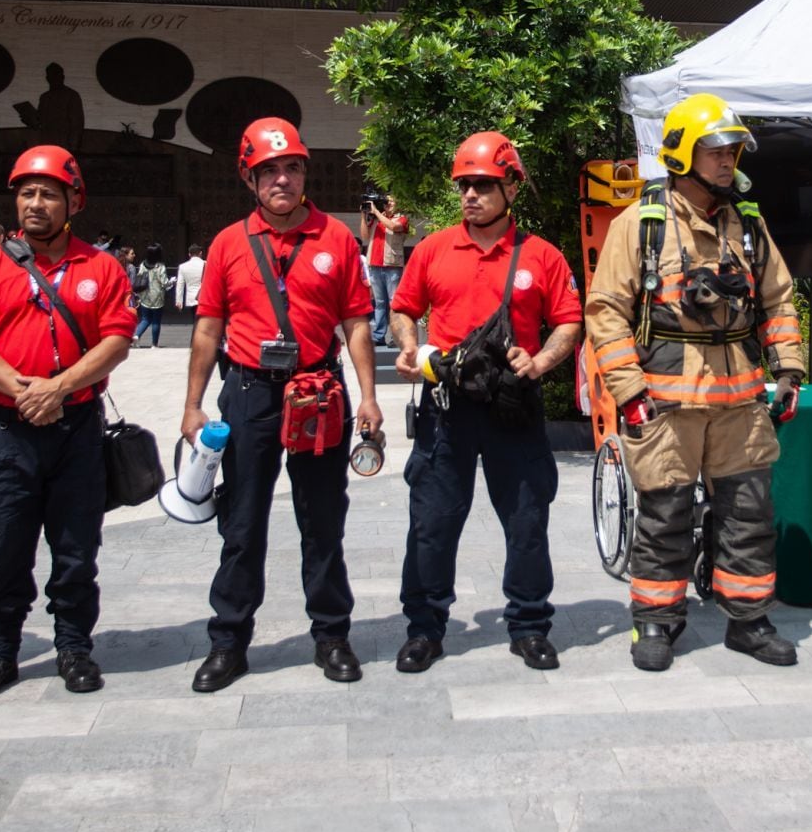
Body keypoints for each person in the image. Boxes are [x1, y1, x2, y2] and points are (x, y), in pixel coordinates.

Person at [583, 94, 804, 671]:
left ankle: (749, 621)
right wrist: (629, 392)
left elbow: (779, 300)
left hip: (740, 407)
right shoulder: (643, 224)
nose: (727, 158)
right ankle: (656, 621)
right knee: (665, 515)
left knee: (750, 514)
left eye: (732, 148)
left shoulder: (750, 226)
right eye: (715, 149)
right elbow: (605, 309)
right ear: (683, 153)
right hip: (666, 406)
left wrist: (789, 369)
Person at [180, 118, 382, 692]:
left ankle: (332, 635)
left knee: (322, 519)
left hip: (319, 389)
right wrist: (192, 406)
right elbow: (206, 331)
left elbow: (357, 325)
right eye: (269, 170)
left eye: (292, 167)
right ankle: (228, 642)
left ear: (303, 173)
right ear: (250, 178)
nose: (282, 179)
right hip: (249, 392)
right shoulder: (227, 243)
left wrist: (368, 396)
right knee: (242, 522)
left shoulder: (337, 239)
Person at [0, 145, 133, 701]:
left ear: (74, 200)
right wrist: (20, 388)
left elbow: (117, 340)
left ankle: (74, 647)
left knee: (75, 548)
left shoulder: (101, 266)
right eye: (26, 192)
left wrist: (59, 387)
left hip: (76, 428)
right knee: (1, 547)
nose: (35, 203)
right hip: (6, 430)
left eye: (48, 193)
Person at [391, 131, 582, 672]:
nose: (470, 194)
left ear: (512, 188)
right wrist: (409, 344)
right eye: (464, 185)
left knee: (526, 519)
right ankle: (425, 628)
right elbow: (404, 308)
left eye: (483, 184)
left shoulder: (541, 256)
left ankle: (528, 625)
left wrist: (540, 363)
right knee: (432, 519)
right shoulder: (432, 249)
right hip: (446, 407)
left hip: (513, 407)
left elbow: (569, 322)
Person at [360, 194, 412, 347]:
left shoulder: (401, 218)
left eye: (391, 201)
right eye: (386, 202)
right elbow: (364, 236)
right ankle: (379, 336)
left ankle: (395, 337)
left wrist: (376, 212)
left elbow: (394, 227)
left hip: (392, 265)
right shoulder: (377, 218)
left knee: (394, 302)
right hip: (375, 265)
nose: (388, 204)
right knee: (380, 303)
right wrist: (364, 216)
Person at [132, 244, 171, 348]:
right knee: (156, 321)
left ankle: (137, 335)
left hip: (145, 295)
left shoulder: (143, 264)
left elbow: (140, 277)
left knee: (145, 318)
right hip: (157, 296)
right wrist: (171, 282)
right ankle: (154, 344)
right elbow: (164, 282)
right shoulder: (160, 266)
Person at [174, 243, 205, 317]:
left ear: (189, 254)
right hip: (204, 297)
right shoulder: (206, 264)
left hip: (191, 298)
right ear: (200, 253)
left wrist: (179, 301)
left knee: (195, 320)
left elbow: (180, 284)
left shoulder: (182, 267)